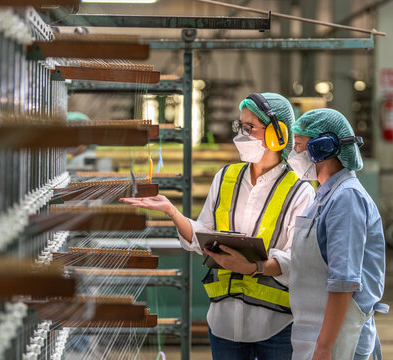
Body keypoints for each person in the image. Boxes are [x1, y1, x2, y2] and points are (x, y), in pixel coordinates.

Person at [121, 93, 314, 360]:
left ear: (278, 134)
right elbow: (202, 236)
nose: (242, 135)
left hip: (274, 325)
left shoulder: (299, 191)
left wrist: (254, 267)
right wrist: (171, 210)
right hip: (223, 323)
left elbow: (298, 259)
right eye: (241, 126)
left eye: (250, 128)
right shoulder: (225, 177)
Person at [286, 108, 388, 360]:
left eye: (298, 145)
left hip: (339, 339)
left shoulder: (346, 198)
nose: (293, 153)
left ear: (322, 148)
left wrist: (325, 347)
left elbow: (344, 281)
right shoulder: (324, 196)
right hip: (318, 332)